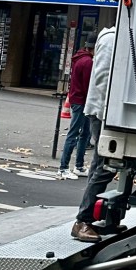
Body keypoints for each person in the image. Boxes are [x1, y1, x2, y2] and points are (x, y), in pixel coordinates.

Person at [71, 24, 116, 243]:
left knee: (101, 164)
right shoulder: (111, 38)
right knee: (104, 166)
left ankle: (89, 217)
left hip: (105, 113)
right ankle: (83, 220)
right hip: (104, 114)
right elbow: (103, 80)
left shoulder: (112, 37)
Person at [58, 33, 96, 180]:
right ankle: (64, 168)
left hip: (78, 100)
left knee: (83, 133)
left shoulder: (79, 58)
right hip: (82, 101)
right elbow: (88, 86)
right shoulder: (88, 62)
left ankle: (77, 166)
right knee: (76, 134)